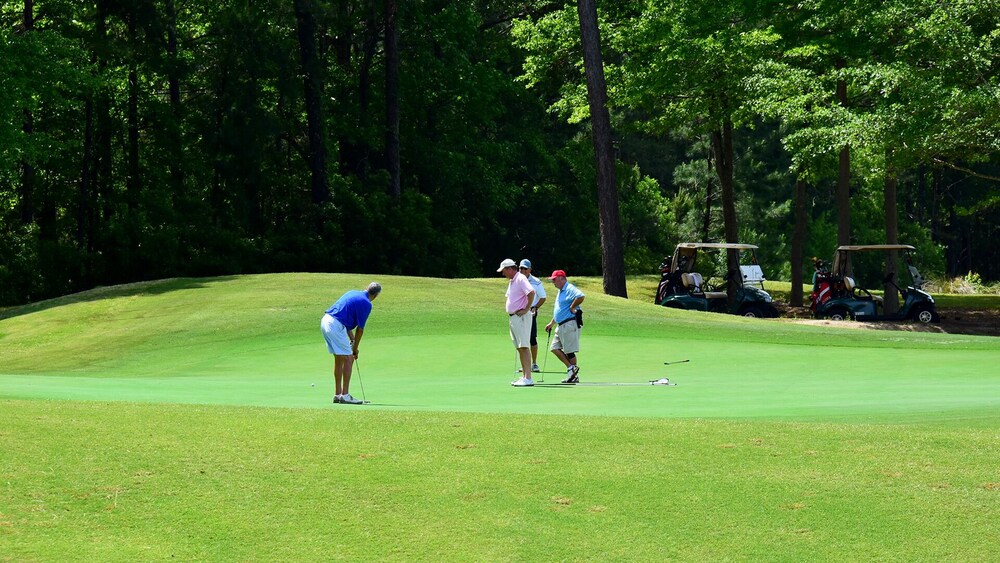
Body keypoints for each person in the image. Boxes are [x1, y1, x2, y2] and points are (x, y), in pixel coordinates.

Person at [320, 282, 381, 405]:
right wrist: (355, 349)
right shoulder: (366, 303)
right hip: (335, 325)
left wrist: (352, 342)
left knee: (339, 358)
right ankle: (345, 395)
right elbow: (360, 329)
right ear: (376, 295)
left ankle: (338, 395)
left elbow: (347, 324)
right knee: (349, 358)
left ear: (366, 288)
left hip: (326, 321)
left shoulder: (353, 292)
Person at [498, 258, 536, 387]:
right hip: (514, 317)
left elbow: (531, 292)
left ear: (510, 269)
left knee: (524, 346)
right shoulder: (512, 280)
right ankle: (525, 376)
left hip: (521, 317)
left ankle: (528, 378)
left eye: (504, 271)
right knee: (520, 347)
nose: (503, 274)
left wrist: (526, 308)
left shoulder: (520, 278)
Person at [544, 270, 585, 384]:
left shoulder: (569, 288)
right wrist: (552, 323)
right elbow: (559, 309)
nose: (553, 282)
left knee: (569, 351)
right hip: (560, 324)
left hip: (569, 323)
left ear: (561, 278)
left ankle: (573, 376)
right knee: (554, 348)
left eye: (554, 279)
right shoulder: (560, 291)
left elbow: (581, 296)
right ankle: (571, 368)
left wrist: (572, 307)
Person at [519, 259, 547, 373]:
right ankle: (525, 364)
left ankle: (534, 363)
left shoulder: (536, 281)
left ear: (530, 270)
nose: (522, 270)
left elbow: (543, 297)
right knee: (521, 338)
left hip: (531, 311)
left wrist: (535, 307)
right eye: (521, 268)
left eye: (525, 268)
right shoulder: (516, 280)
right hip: (519, 311)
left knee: (532, 338)